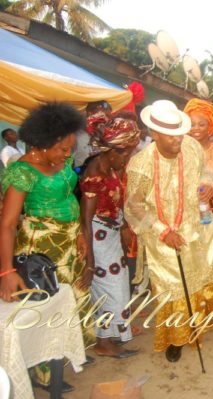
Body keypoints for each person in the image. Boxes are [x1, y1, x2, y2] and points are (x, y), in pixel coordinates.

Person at [124, 100, 213, 363]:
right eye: (170, 135)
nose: (177, 140)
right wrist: (161, 231)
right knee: (175, 285)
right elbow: (133, 207)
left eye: (179, 132)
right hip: (164, 236)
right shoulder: (140, 165)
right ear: (154, 134)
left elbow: (205, 172)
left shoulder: (190, 146)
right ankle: (178, 337)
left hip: (199, 224)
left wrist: (207, 184)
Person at [0, 102, 88, 392]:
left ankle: (61, 354)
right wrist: (7, 271)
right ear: (42, 142)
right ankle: (45, 372)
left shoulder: (58, 162)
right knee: (47, 309)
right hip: (43, 248)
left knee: (70, 300)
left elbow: (70, 197)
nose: (67, 155)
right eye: (62, 149)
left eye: (70, 149)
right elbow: (8, 223)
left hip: (69, 242)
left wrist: (81, 234)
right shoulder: (22, 172)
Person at [80, 112, 141, 359]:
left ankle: (111, 337)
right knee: (108, 289)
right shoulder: (95, 173)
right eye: (124, 154)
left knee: (116, 287)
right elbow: (86, 222)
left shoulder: (111, 168)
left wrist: (124, 226)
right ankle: (103, 343)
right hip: (98, 238)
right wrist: (90, 263)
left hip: (111, 235)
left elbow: (117, 202)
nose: (127, 159)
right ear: (111, 151)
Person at [183, 99, 213, 233]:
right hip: (186, 208)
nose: (196, 129)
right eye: (192, 124)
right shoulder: (181, 149)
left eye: (201, 124)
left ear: (210, 127)